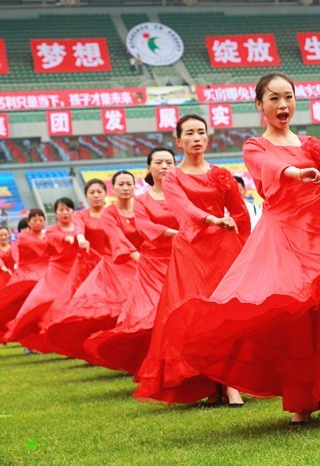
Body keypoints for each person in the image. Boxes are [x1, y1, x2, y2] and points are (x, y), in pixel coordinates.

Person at [161, 73, 320, 427]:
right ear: (260, 105)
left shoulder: (313, 145)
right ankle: (300, 398)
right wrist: (295, 173)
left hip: (314, 239)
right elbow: (267, 168)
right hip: (281, 237)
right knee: (291, 316)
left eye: (288, 97)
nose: (283, 105)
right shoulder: (255, 146)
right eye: (273, 99)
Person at [133, 114, 250, 406]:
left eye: (201, 132)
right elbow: (181, 208)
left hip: (225, 249)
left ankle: (231, 383)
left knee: (228, 313)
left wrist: (244, 241)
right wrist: (211, 218)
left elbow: (239, 213)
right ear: (178, 141)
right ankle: (211, 381)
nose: (197, 137)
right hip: (192, 252)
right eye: (190, 133)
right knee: (198, 317)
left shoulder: (222, 174)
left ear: (208, 137)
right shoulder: (173, 177)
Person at [85, 148, 179, 374]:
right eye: (121, 184)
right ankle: (136, 356)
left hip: (155, 261)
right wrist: (136, 256)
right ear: (114, 188)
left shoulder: (148, 203)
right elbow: (116, 238)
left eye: (129, 184)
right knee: (139, 313)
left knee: (158, 312)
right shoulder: (112, 213)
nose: (126, 188)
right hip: (126, 265)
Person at [45, 171, 144, 365]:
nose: (96, 195)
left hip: (125, 263)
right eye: (92, 192)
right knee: (92, 309)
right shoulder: (85, 215)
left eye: (99, 191)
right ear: (87, 195)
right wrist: (80, 239)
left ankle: (123, 349)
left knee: (124, 307)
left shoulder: (123, 210)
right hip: (95, 264)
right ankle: (101, 346)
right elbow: (79, 230)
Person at [4, 199, 81, 353]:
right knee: (28, 308)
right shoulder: (24, 237)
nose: (38, 222)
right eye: (35, 220)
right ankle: (27, 340)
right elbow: (42, 248)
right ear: (29, 222)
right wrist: (63, 240)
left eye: (41, 219)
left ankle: (49, 337)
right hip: (26, 276)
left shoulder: (49, 235)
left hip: (46, 274)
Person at [0, 210, 48, 340]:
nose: (4, 237)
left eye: (5, 234)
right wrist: (4, 268)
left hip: (37, 276)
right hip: (18, 277)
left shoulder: (13, 246)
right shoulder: (21, 240)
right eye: (1, 235)